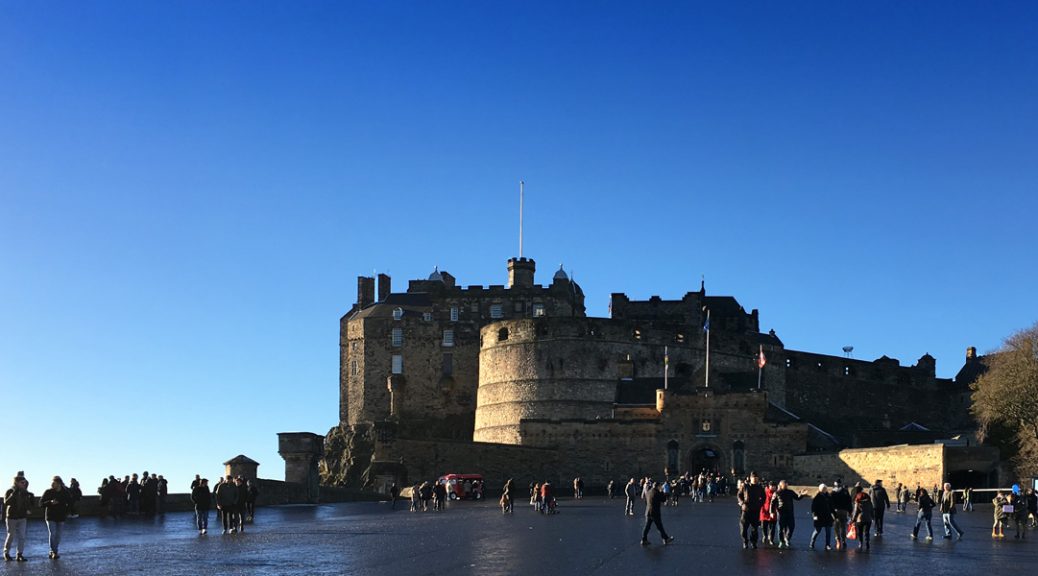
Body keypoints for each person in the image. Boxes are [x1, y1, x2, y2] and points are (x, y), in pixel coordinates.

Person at [40, 476, 72, 559]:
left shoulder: (65, 492)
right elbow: (40, 503)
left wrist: (66, 512)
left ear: (59, 484)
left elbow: (70, 503)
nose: (52, 484)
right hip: (50, 516)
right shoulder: (48, 492)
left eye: (54, 483)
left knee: (58, 535)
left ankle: (54, 550)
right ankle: (54, 551)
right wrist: (50, 502)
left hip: (61, 516)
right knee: (52, 533)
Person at [3, 475, 34, 562]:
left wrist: (28, 508)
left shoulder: (25, 492)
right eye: (22, 482)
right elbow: (6, 502)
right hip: (12, 517)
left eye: (25, 482)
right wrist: (15, 493)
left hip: (22, 517)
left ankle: (19, 554)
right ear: (16, 483)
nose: (24, 484)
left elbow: (28, 503)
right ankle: (6, 553)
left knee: (22, 536)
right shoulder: (10, 491)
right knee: (11, 535)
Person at [771, 480, 806, 549]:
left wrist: (802, 494)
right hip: (781, 513)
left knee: (791, 526)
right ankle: (781, 541)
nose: (787, 485)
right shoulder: (777, 493)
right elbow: (772, 503)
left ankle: (787, 538)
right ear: (781, 485)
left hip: (790, 512)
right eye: (785, 484)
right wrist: (772, 512)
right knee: (780, 528)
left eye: (787, 484)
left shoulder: (790, 492)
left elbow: (797, 498)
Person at [737, 471, 766, 549]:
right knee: (743, 528)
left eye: (756, 478)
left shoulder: (760, 487)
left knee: (754, 529)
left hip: (755, 510)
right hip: (746, 510)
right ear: (750, 478)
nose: (755, 479)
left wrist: (760, 504)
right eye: (754, 478)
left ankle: (753, 542)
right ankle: (745, 541)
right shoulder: (745, 486)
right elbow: (739, 495)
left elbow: (764, 497)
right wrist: (742, 503)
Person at [640, 480, 674, 546]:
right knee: (659, 526)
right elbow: (663, 499)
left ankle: (644, 539)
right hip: (655, 512)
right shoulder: (657, 492)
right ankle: (665, 539)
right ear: (658, 486)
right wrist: (662, 492)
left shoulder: (649, 492)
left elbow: (646, 501)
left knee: (647, 527)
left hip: (648, 511)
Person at [829, 480, 852, 550]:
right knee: (843, 526)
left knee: (836, 527)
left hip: (835, 511)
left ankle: (838, 540)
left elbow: (830, 503)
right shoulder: (845, 491)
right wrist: (850, 511)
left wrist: (831, 511)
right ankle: (843, 540)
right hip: (844, 511)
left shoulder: (833, 492)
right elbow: (849, 502)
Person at [810, 484, 834, 550]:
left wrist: (834, 515)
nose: (825, 490)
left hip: (827, 517)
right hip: (819, 517)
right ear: (821, 489)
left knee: (828, 531)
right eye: (824, 488)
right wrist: (814, 517)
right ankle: (812, 542)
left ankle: (827, 545)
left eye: (825, 488)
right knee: (817, 531)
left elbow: (831, 507)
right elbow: (813, 508)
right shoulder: (816, 497)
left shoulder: (828, 496)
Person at [851, 485, 875, 551]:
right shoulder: (869, 503)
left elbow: (855, 512)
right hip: (868, 519)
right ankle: (867, 543)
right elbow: (872, 511)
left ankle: (860, 543)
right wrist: (873, 518)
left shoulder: (858, 503)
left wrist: (853, 520)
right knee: (867, 532)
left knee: (860, 532)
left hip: (860, 519)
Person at [759, 481, 777, 546]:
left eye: (774, 486)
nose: (772, 487)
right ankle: (765, 536)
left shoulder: (777, 493)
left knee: (772, 527)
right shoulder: (765, 492)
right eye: (771, 486)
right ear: (769, 486)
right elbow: (761, 501)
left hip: (773, 513)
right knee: (764, 526)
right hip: (764, 512)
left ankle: (771, 539)